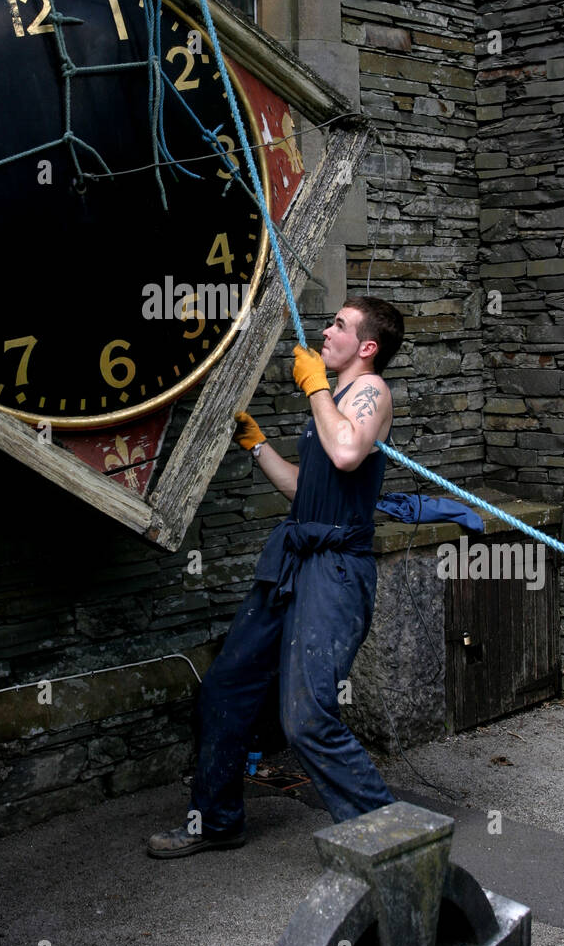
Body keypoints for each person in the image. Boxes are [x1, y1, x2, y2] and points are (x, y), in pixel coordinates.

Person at [147, 295, 405, 857]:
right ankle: (215, 820)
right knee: (226, 687)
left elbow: (345, 454)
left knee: (307, 717)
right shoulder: (335, 398)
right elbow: (304, 491)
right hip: (293, 556)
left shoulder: (370, 392)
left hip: (335, 570)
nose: (325, 331)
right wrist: (259, 444)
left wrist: (314, 388)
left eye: (339, 325)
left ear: (367, 347)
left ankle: (397, 846)